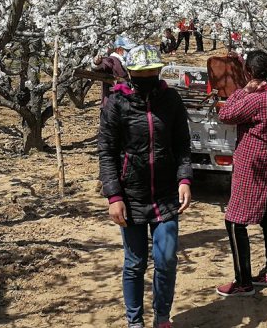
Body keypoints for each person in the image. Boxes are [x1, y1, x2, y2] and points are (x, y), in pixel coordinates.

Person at [99, 44, 193, 328]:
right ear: (130, 73)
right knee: (135, 263)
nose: (148, 76)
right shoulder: (117, 102)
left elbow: (182, 145)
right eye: (142, 72)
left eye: (153, 71)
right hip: (132, 195)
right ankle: (134, 321)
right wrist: (114, 195)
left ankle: (161, 317)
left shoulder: (171, 100)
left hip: (165, 195)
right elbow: (107, 151)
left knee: (166, 260)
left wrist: (185, 178)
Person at [215, 49, 267, 297]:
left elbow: (225, 114)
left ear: (249, 72)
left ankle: (243, 281)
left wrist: (243, 90)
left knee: (235, 221)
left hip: (253, 168)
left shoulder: (257, 99)